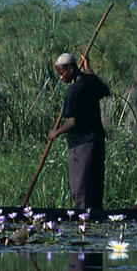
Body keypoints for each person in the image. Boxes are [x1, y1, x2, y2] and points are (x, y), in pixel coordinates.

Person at [48, 52, 111, 209]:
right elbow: (104, 90)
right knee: (94, 184)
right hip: (96, 140)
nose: (61, 77)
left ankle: (82, 220)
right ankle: (96, 216)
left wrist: (56, 133)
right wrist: (88, 69)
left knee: (80, 186)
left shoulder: (73, 91)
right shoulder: (90, 81)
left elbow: (72, 122)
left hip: (81, 144)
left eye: (61, 72)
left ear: (70, 69)